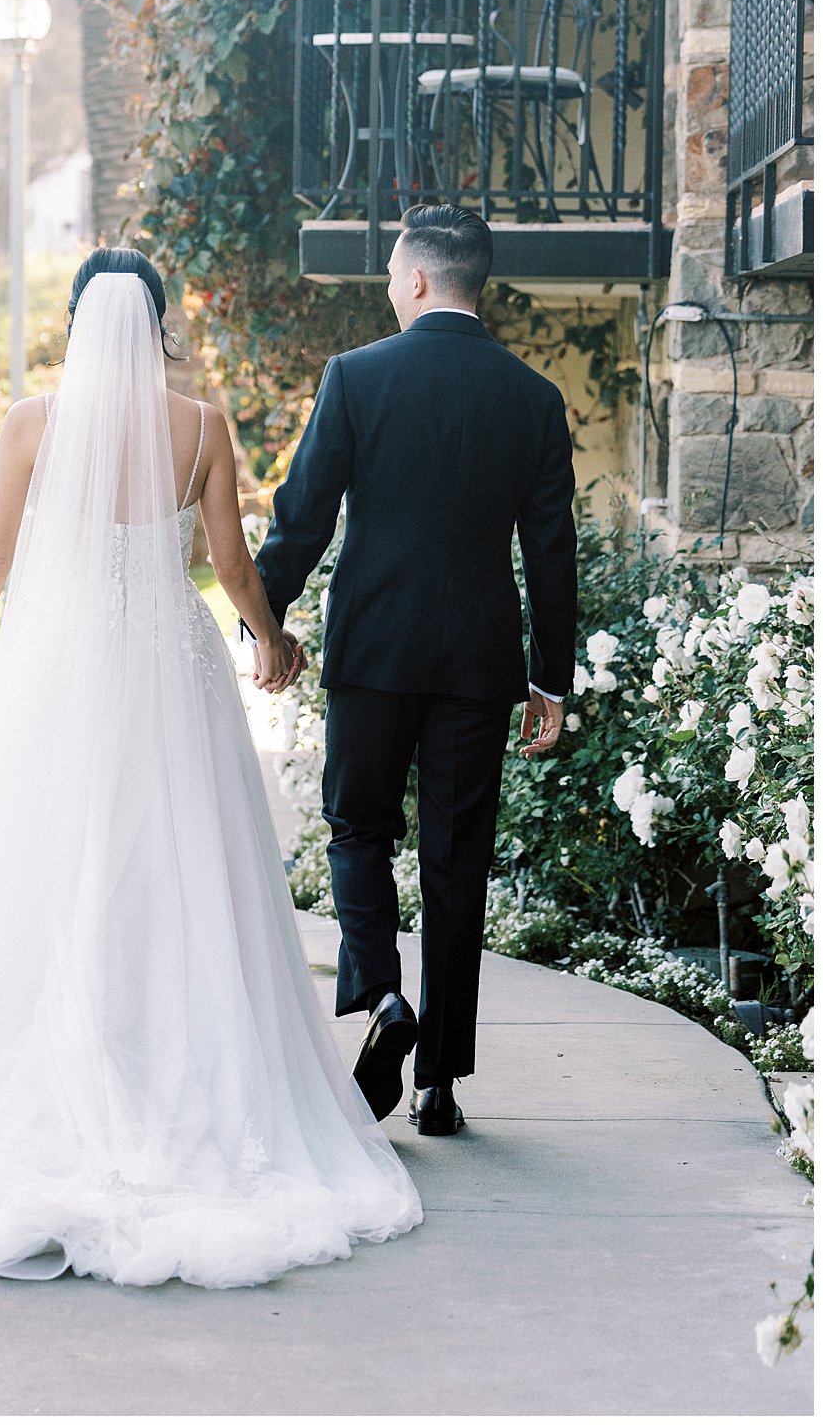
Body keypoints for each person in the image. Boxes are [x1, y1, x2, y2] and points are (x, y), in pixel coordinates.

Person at [0, 248, 422, 1289]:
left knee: (50, 865)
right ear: (161, 326)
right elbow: (228, 562)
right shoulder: (198, 426)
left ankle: (68, 1070)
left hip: (63, 673)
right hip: (170, 673)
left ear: (73, 320)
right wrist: (268, 642)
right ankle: (178, 1078)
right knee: (178, 875)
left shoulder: (31, 423)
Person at [253, 203, 577, 1139]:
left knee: (357, 828)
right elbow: (551, 554)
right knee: (456, 862)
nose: (392, 289)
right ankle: (440, 1082)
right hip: (480, 667)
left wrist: (263, 625)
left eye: (396, 275)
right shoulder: (533, 398)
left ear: (424, 279)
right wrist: (548, 680)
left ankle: (385, 999)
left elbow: (303, 517)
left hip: (373, 654)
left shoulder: (356, 378)